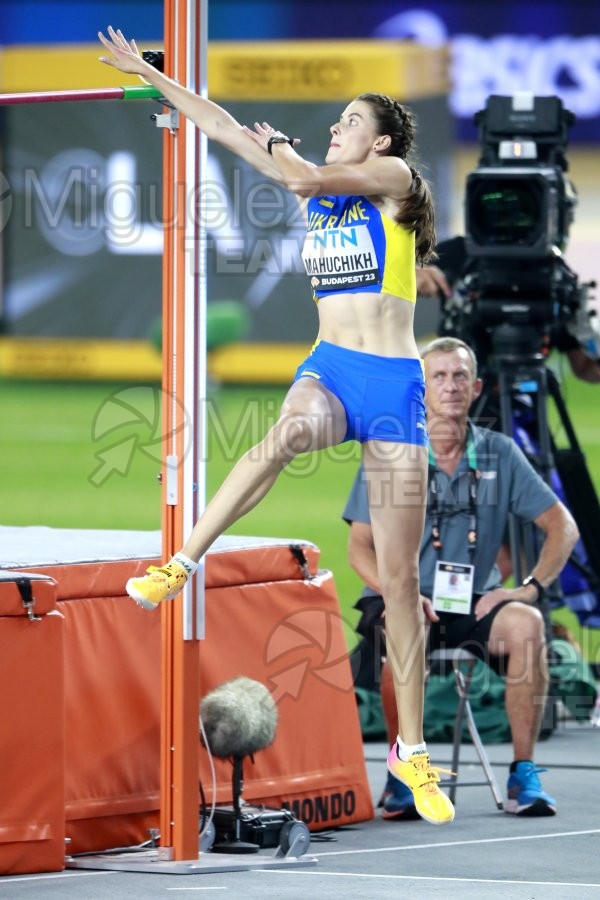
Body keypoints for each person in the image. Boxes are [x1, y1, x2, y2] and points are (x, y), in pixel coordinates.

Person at [98, 27, 455, 825]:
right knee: (282, 436)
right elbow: (222, 125)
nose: (338, 129)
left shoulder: (393, 177)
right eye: (333, 124)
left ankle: (412, 753)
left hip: (395, 389)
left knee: (399, 584)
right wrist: (153, 82)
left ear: (383, 138)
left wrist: (294, 155)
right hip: (333, 369)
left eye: (349, 121)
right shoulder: (323, 184)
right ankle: (182, 561)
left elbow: (303, 176)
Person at [343, 337, 579, 819]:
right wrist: (400, 592)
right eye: (438, 377)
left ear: (475, 389)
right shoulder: (390, 449)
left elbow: (563, 528)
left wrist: (527, 588)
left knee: (528, 624)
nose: (449, 387)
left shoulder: (499, 451)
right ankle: (403, 772)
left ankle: (523, 772)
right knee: (402, 626)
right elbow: (358, 550)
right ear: (420, 388)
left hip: (476, 603)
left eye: (459, 378)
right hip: (401, 596)